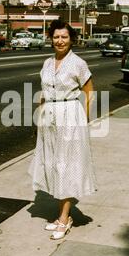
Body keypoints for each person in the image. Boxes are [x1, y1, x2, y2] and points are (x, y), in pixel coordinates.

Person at [29, 19, 97, 240]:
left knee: (66, 166)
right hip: (49, 117)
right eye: (56, 37)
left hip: (70, 116)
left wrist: (83, 119)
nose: (60, 41)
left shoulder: (78, 63)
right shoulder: (47, 63)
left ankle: (65, 218)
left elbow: (89, 91)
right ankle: (61, 216)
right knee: (53, 164)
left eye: (64, 37)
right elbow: (44, 92)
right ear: (51, 39)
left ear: (72, 40)